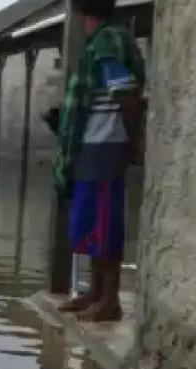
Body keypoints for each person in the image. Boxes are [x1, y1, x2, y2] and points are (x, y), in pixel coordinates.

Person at [54, 0, 147, 323]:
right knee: (91, 221)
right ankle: (95, 292)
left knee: (105, 224)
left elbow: (126, 93)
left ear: (82, 13)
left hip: (106, 145)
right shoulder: (100, 42)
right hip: (91, 144)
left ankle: (110, 299)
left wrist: (135, 140)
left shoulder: (108, 42)